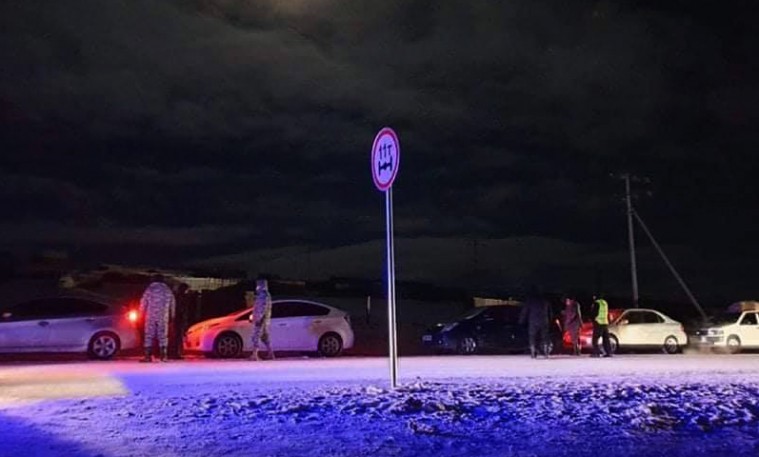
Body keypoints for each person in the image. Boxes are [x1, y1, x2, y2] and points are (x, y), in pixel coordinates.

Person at [139, 274, 176, 363]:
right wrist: (172, 315)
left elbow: (143, 301)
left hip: (150, 315)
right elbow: (173, 303)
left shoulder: (150, 289)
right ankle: (163, 356)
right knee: (163, 335)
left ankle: (147, 356)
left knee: (149, 335)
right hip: (163, 316)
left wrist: (141, 313)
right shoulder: (167, 290)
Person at [519, 286, 552, 358]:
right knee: (545, 336)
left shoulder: (530, 301)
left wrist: (521, 320)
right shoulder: (545, 300)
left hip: (533, 322)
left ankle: (533, 352)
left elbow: (525, 312)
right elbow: (550, 313)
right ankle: (546, 352)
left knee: (532, 337)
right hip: (544, 321)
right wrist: (550, 320)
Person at [248, 278, 275, 361]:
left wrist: (258, 318)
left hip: (261, 320)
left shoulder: (263, 295)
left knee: (255, 336)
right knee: (264, 337)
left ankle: (255, 355)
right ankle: (270, 353)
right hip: (264, 319)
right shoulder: (265, 295)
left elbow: (262, 308)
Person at [169, 283, 190, 360]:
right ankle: (176, 353)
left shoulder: (177, 297)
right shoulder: (181, 297)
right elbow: (181, 310)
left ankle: (175, 353)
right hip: (178, 319)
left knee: (176, 337)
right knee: (177, 337)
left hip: (177, 319)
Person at [591, 293, 612, 358]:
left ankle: (596, 353)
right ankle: (608, 352)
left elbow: (594, 313)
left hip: (598, 322)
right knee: (606, 339)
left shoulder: (596, 303)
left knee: (595, 339)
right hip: (605, 322)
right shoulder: (605, 303)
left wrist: (593, 319)